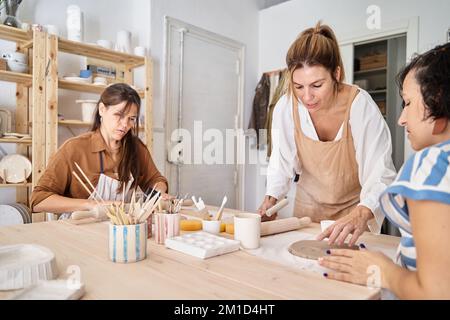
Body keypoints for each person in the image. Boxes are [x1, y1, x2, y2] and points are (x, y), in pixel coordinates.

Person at [319, 42, 450, 299]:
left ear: (437, 104)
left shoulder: (431, 167)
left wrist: (381, 269)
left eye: (408, 103)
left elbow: (437, 293)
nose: (401, 119)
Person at [258, 22, 397, 245]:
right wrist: (271, 198)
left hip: (354, 215)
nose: (307, 97)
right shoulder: (286, 107)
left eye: (317, 85)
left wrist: (362, 213)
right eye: (298, 86)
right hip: (307, 212)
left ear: (336, 74)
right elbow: (281, 161)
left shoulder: (360, 105)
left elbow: (381, 173)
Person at [31, 83, 168, 217]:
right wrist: (91, 205)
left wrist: (158, 194)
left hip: (120, 227)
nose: (125, 124)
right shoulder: (74, 149)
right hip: (79, 228)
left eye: (131, 118)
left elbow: (155, 179)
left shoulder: (136, 148)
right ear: (102, 109)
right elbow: (38, 200)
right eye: (118, 115)